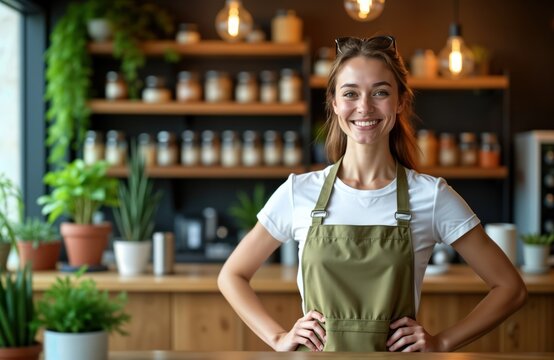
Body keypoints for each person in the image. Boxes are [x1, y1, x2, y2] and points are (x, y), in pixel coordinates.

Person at [218, 35, 527, 352]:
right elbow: (232, 275)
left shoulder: (431, 196)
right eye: (350, 93)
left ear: (400, 102)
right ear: (335, 103)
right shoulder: (300, 192)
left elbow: (510, 288)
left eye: (380, 92)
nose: (364, 107)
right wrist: (277, 337)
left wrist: (442, 341)